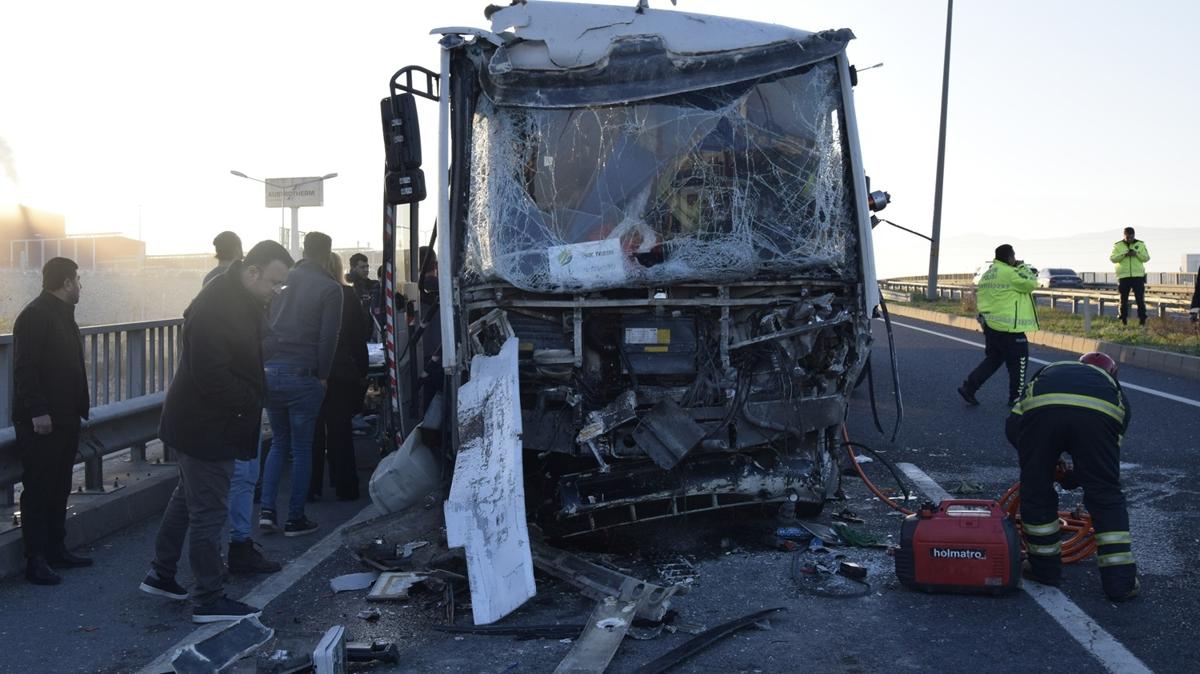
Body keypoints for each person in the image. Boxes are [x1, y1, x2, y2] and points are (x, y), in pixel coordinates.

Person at [139, 241, 293, 623]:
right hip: (207, 424)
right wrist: (249, 400)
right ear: (252, 271)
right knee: (208, 511)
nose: (277, 291)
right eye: (274, 282)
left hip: (203, 421)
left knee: (184, 499)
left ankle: (162, 572)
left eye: (281, 285)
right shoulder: (216, 306)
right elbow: (211, 374)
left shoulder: (239, 299)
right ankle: (208, 598)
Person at [1005, 352, 1140, 601]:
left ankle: (1044, 568)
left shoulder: (1049, 371)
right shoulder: (1116, 393)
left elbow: (1013, 428)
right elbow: (1102, 464)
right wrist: (1075, 478)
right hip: (1098, 420)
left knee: (1036, 490)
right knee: (1105, 495)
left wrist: (1045, 463)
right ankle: (1120, 583)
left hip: (1043, 412)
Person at [11, 257, 90, 585]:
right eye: (78, 280)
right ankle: (36, 559)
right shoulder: (35, 316)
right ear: (67, 282)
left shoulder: (63, 316)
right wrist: (38, 412)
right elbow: (25, 370)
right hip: (42, 421)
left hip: (66, 417)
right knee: (40, 488)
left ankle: (57, 549)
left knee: (59, 486)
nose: (81, 286)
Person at [259, 231, 343, 537]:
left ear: (304, 250)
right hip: (302, 374)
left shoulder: (281, 282)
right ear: (327, 253)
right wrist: (322, 375)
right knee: (303, 448)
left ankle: (267, 512)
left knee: (279, 444)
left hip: (270, 371)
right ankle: (296, 518)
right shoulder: (330, 288)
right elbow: (328, 336)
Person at [311, 252, 369, 501]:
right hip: (341, 371)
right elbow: (360, 336)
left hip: (311, 371)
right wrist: (361, 372)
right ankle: (345, 485)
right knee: (340, 431)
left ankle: (311, 488)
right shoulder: (346, 296)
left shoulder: (304, 296)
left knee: (313, 433)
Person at [959, 244, 1039, 407]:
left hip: (991, 326)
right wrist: (1022, 267)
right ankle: (1016, 397)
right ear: (1010, 257)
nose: (1015, 259)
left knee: (993, 359)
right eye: (1014, 256)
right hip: (1009, 328)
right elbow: (1031, 284)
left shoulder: (988, 274)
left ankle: (969, 387)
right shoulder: (1010, 273)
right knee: (1019, 362)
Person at [1109, 227, 1150, 327]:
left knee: (1140, 299)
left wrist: (1136, 254)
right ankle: (1123, 319)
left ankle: (1142, 320)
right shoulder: (1118, 245)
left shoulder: (1140, 244)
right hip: (1124, 276)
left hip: (1138, 276)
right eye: (1127, 237)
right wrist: (1124, 254)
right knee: (1123, 300)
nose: (1129, 239)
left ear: (1134, 235)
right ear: (1124, 236)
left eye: (1131, 237)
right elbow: (1113, 259)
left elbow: (1146, 258)